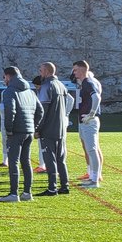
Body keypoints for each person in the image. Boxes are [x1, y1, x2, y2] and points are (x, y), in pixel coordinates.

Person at [0, 65, 43, 202]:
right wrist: (33, 126)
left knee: (13, 162)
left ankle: (13, 193)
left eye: (4, 77)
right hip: (28, 132)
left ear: (8, 76)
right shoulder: (30, 91)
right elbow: (40, 111)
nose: (4, 80)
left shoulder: (9, 91)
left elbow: (10, 110)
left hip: (16, 132)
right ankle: (27, 193)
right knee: (26, 162)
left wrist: (9, 129)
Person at [36, 62, 71, 195]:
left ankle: (52, 188)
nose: (40, 73)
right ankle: (65, 185)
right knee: (61, 159)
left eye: (41, 71)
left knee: (50, 159)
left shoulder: (47, 86)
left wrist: (38, 128)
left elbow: (42, 111)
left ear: (46, 71)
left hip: (49, 129)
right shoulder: (61, 85)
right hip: (61, 128)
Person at [72, 59, 104, 188]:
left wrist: (91, 113)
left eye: (75, 70)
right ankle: (92, 176)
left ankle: (94, 180)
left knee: (92, 149)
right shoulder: (85, 82)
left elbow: (96, 97)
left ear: (82, 69)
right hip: (85, 120)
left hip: (89, 121)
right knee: (91, 149)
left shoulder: (88, 82)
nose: (73, 73)